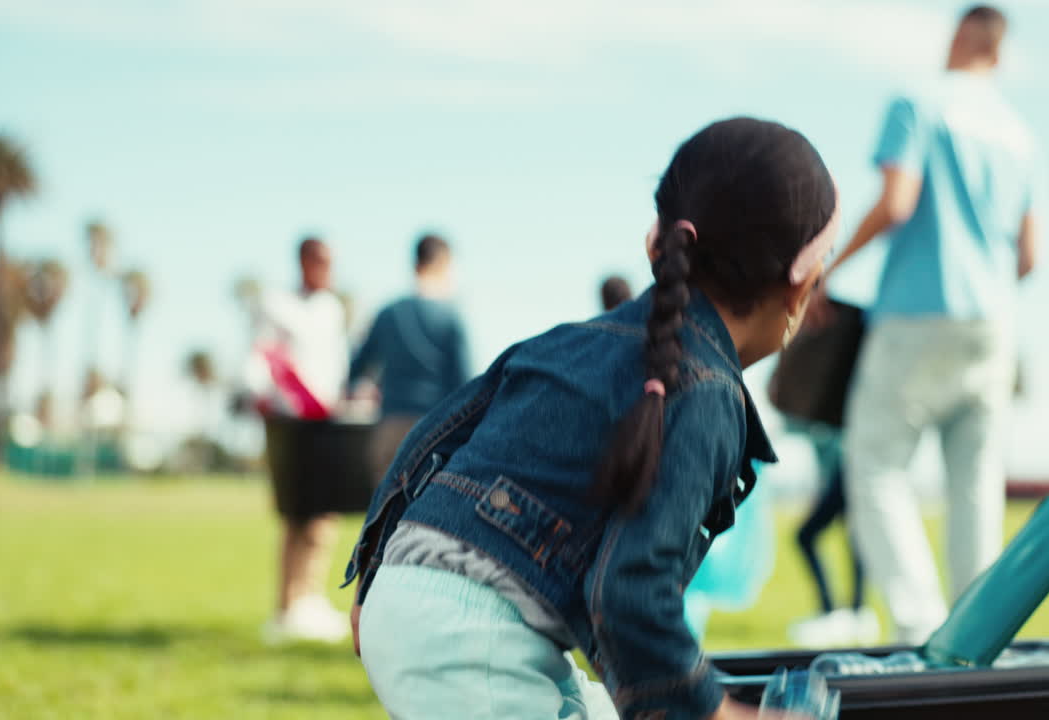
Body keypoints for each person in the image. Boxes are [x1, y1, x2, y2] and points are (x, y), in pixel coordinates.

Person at [345, 117, 839, 720]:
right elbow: (631, 593)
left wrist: (375, 570)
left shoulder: (570, 340)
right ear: (800, 283)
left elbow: (436, 435)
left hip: (418, 595)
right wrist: (718, 714)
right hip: (473, 633)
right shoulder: (707, 394)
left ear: (657, 241)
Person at [834, 5, 1040, 645]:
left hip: (916, 313)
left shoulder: (918, 102)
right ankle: (976, 642)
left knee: (875, 465)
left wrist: (825, 270)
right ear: (998, 53)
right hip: (992, 323)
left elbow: (896, 202)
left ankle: (921, 631)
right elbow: (1030, 257)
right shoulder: (1019, 134)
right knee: (976, 487)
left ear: (959, 38)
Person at [245, 236, 351, 643]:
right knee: (296, 514)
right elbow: (260, 357)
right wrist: (264, 397)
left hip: (328, 422)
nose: (329, 270)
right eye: (323, 261)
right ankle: (286, 606)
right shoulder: (277, 304)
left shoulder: (331, 309)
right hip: (291, 423)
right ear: (305, 261)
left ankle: (311, 599)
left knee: (324, 516)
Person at [348, 233, 471, 481]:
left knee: (386, 503)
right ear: (444, 263)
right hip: (436, 430)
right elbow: (464, 385)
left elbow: (357, 369)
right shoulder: (451, 317)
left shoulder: (388, 312)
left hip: (391, 427)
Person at [786, 426, 875, 647]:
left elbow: (835, 447)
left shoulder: (819, 418)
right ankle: (856, 613)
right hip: (846, 470)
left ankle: (838, 612)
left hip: (847, 470)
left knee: (806, 536)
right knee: (854, 539)